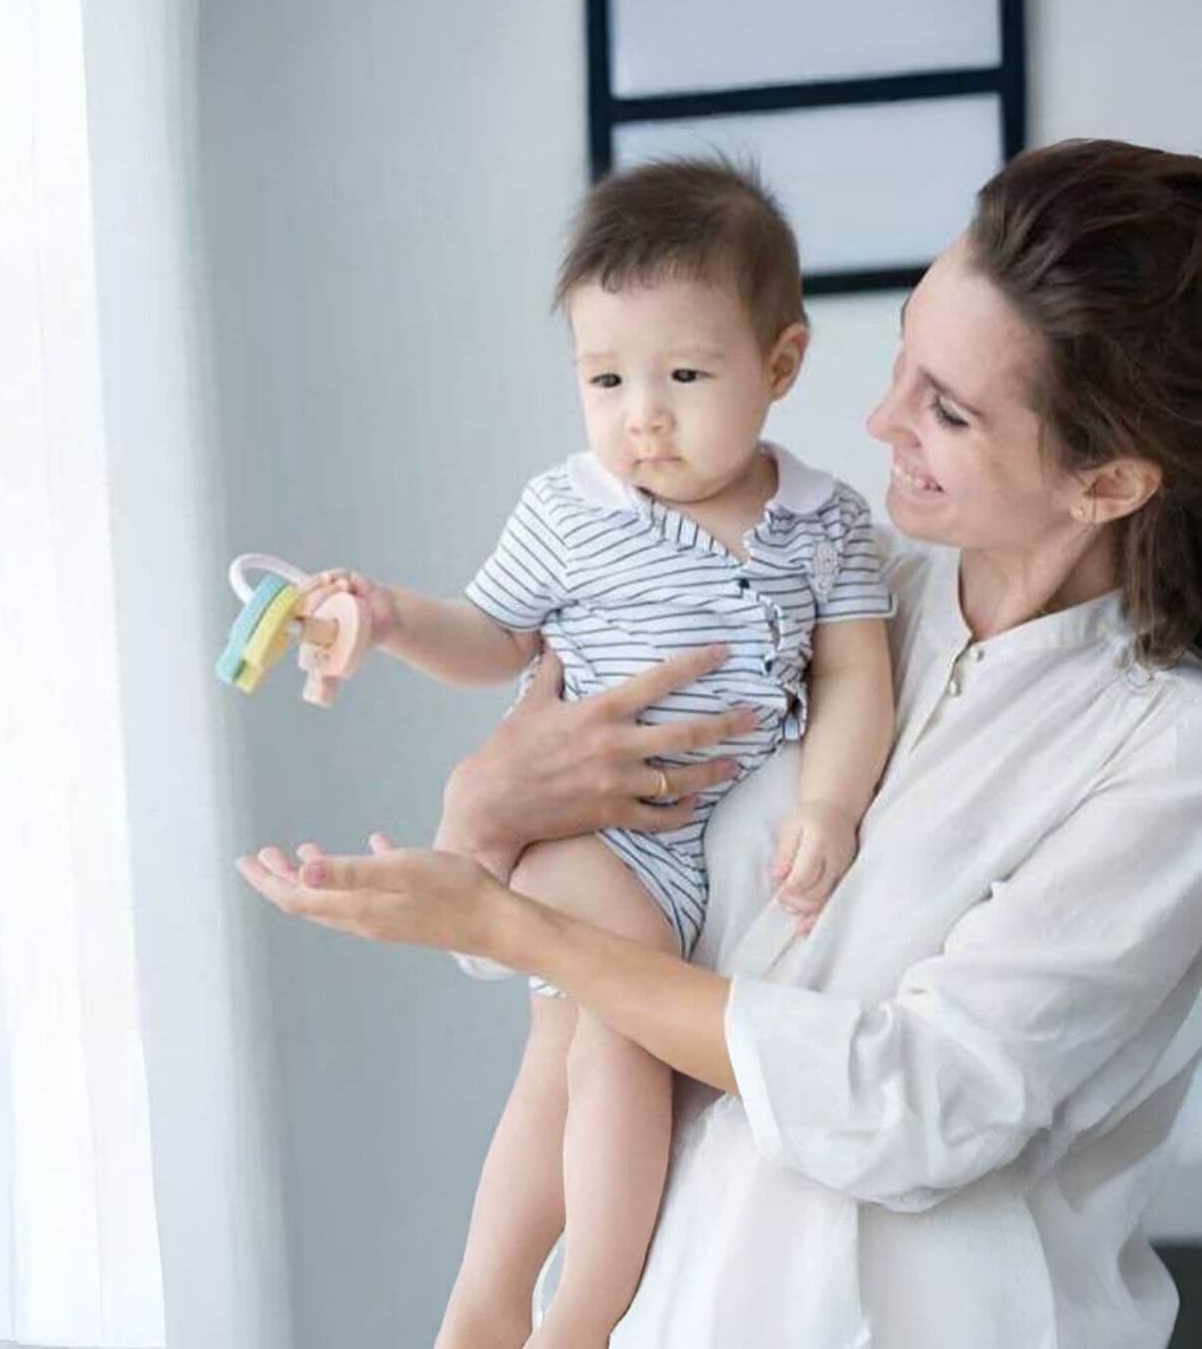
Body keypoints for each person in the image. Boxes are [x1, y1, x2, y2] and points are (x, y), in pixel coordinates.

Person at [236, 138, 1202, 1348]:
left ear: (1107, 483)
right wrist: (486, 820)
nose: (877, 417)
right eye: (904, 352)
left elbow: (915, 1108)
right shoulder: (826, 606)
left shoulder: (1168, 756)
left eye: (947, 410)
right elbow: (613, 937)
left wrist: (501, 920)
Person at [289, 157, 894, 1349]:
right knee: (623, 1052)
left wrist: (827, 808)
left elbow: (856, 676)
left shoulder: (829, 524)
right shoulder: (573, 509)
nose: (642, 415)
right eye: (606, 378)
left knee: (559, 1062)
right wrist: (395, 621)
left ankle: (485, 1304)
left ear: (779, 365)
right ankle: (585, 1319)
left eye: (683, 375)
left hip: (686, 866)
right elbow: (490, 638)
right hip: (581, 836)